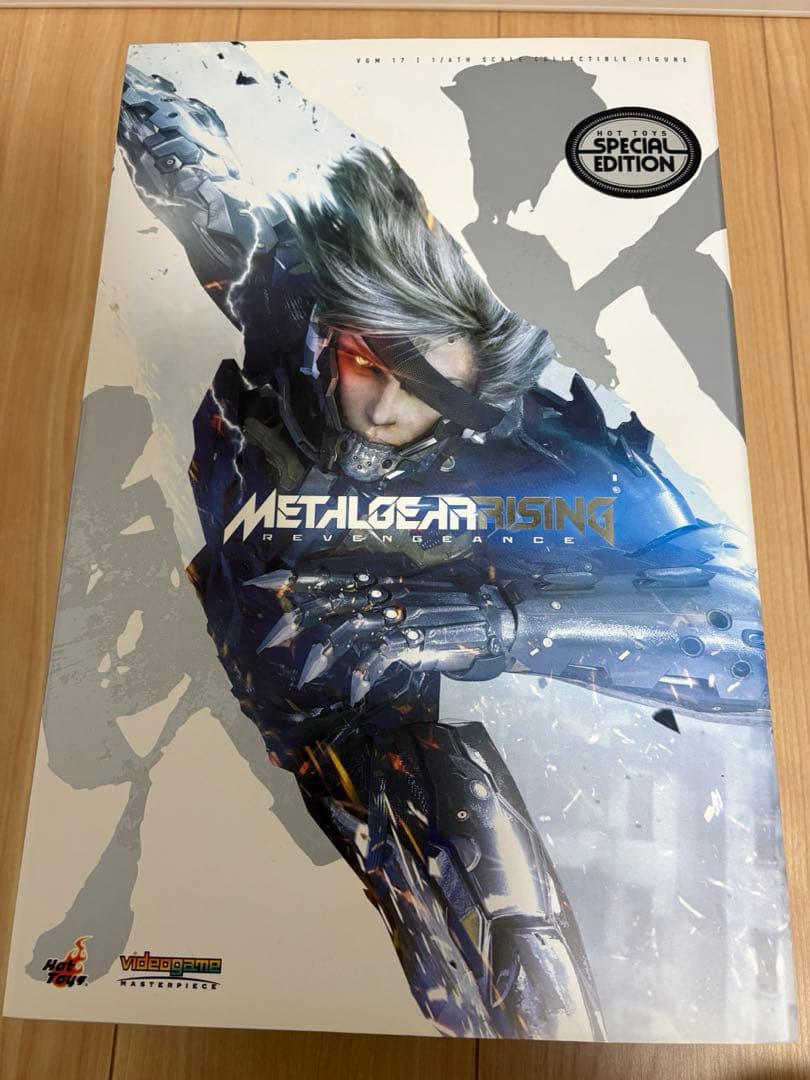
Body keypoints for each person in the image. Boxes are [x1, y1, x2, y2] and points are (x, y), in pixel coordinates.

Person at [117, 65, 769, 1040]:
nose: (382, 402)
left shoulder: (558, 460)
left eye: (422, 381)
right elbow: (182, 151)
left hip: (388, 735)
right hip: (222, 678)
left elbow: (752, 637)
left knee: (510, 962)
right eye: (367, 360)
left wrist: (500, 625)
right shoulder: (291, 304)